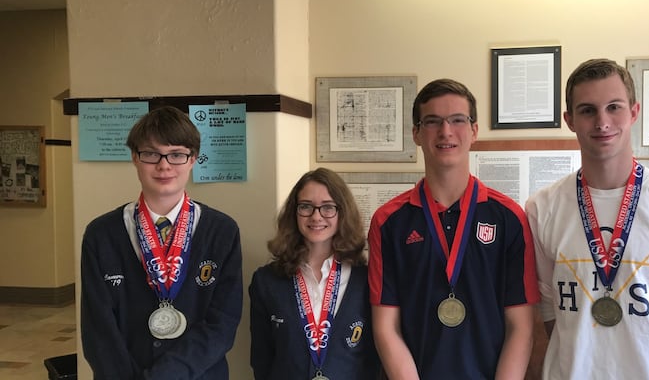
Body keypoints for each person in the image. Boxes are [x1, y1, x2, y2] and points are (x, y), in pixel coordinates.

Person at [525, 58, 649, 379]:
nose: (602, 122)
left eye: (614, 107)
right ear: (570, 120)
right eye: (587, 110)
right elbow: (548, 301)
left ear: (634, 112)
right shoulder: (541, 207)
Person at [368, 78, 540, 379]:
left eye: (458, 120)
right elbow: (386, 327)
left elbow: (520, 327)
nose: (446, 131)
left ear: (474, 131)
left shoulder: (509, 218)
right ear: (416, 133)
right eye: (433, 121)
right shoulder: (388, 221)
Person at [80, 105, 243, 379]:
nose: (164, 165)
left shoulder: (222, 231)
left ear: (193, 159)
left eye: (177, 154)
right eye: (151, 154)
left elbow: (222, 324)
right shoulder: (101, 234)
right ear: (135, 158)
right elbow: (98, 329)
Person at [249, 167, 380, 379]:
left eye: (328, 207)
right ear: (294, 212)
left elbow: (375, 360)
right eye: (306, 206)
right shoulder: (266, 281)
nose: (316, 216)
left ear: (342, 213)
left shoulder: (366, 280)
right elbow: (262, 360)